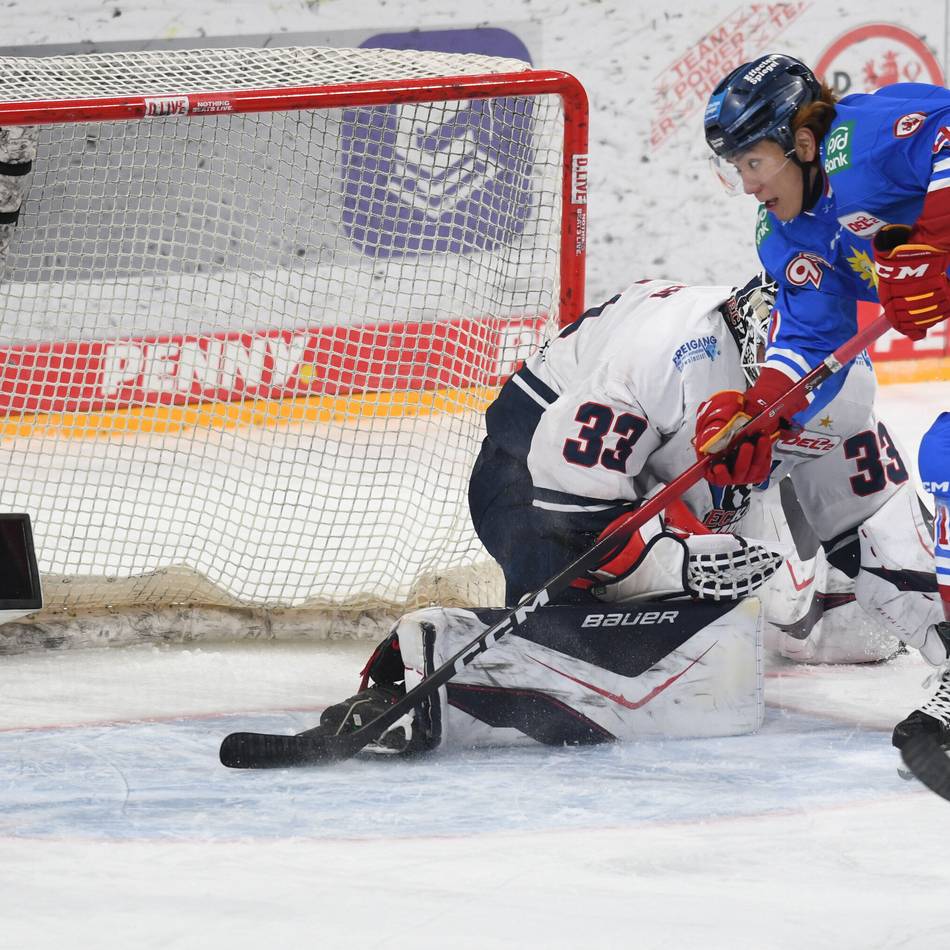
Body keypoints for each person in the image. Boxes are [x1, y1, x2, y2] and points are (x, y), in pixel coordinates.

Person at [308, 272, 935, 754]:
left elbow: (876, 525)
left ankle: (808, 597)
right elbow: (567, 505)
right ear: (746, 345)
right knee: (582, 623)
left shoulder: (845, 389)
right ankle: (425, 688)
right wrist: (670, 564)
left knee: (805, 627)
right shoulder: (664, 355)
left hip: (669, 482)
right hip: (533, 466)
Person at [699, 53, 950, 750]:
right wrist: (764, 411)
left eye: (755, 161)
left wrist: (936, 240)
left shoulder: (866, 141)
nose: (749, 185)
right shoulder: (787, 233)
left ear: (803, 143)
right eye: (736, 168)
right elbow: (812, 335)